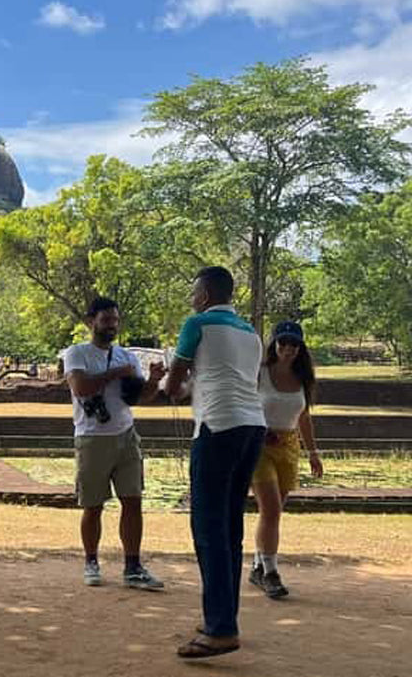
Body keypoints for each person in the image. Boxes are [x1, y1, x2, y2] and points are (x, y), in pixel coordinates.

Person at [160, 266, 267, 659]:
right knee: (230, 527)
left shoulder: (197, 324)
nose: (192, 299)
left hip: (217, 426)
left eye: (194, 291)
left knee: (207, 527)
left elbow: (174, 386)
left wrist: (164, 383)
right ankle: (224, 617)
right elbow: (236, 379)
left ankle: (221, 627)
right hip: (252, 426)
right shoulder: (250, 333)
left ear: (204, 295)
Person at [63, 297, 165, 592]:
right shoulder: (77, 353)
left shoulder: (128, 357)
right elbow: (81, 387)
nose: (112, 326)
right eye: (106, 320)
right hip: (92, 438)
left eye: (115, 320)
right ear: (90, 321)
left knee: (133, 501)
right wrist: (114, 373)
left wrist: (154, 381)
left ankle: (133, 566)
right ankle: (91, 561)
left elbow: (137, 399)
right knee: (93, 505)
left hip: (126, 435)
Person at [250, 321, 323, 599]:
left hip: (289, 446)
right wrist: (259, 430)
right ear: (274, 344)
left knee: (275, 510)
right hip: (260, 446)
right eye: (283, 343)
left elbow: (304, 417)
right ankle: (271, 571)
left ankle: (258, 564)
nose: (288, 349)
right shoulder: (260, 373)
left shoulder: (303, 377)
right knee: (271, 510)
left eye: (294, 345)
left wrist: (313, 452)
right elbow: (244, 404)